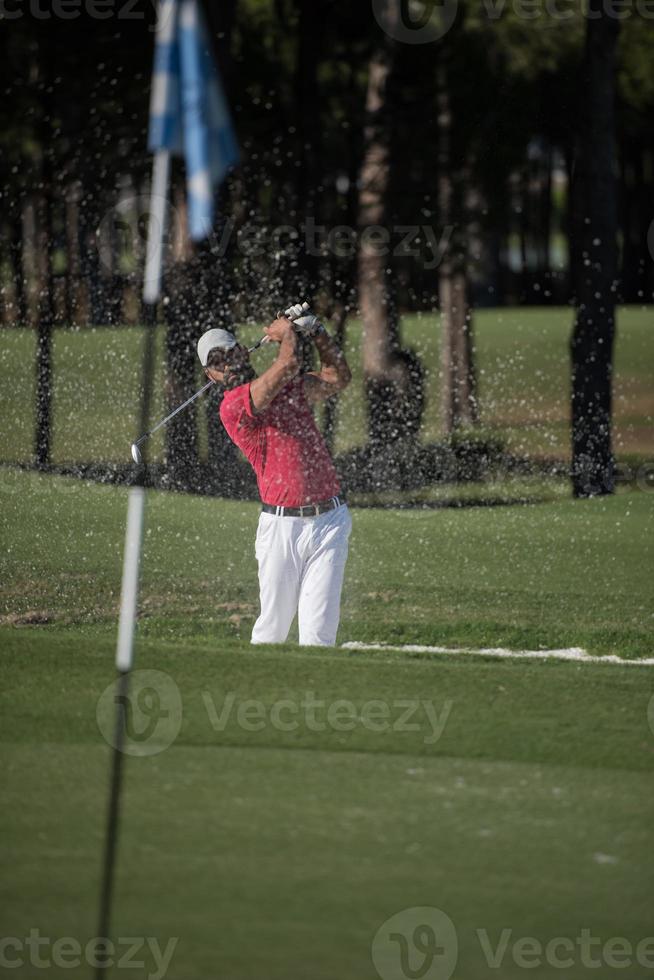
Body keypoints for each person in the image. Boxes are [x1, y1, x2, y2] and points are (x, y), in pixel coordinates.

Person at [196, 303, 353, 647]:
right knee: (272, 632)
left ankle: (314, 699)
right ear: (211, 375)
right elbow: (288, 363)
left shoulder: (290, 387)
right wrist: (288, 332)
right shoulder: (233, 405)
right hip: (282, 528)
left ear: (241, 350)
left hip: (330, 521)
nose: (225, 362)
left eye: (227, 352)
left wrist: (318, 333)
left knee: (319, 637)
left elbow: (338, 378)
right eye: (215, 361)